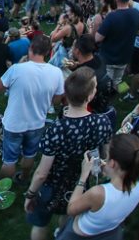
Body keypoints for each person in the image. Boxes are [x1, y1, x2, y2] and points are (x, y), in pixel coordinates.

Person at [25, 68, 112, 239]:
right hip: (80, 184)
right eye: (94, 88)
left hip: (52, 185)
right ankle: (61, 233)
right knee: (68, 215)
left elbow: (42, 173)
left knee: (40, 223)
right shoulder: (102, 122)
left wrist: (30, 194)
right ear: (89, 97)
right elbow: (105, 156)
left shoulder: (56, 129)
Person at [0, 35, 65, 181]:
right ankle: (24, 178)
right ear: (48, 52)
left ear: (30, 49)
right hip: (37, 122)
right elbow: (58, 100)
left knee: (9, 160)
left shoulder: (17, 69)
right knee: (30, 154)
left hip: (14, 123)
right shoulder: (57, 73)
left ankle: (2, 190)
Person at [55, 134, 139, 240]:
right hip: (110, 230)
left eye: (107, 156)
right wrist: (108, 169)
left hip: (81, 234)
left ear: (112, 163)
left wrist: (83, 176)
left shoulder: (98, 193)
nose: (105, 159)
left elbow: (71, 210)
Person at [95, 0, 139, 86]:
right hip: (124, 57)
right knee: (118, 80)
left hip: (109, 58)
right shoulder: (136, 13)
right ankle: (121, 93)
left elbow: (97, 38)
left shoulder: (111, 16)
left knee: (106, 83)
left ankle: (108, 99)